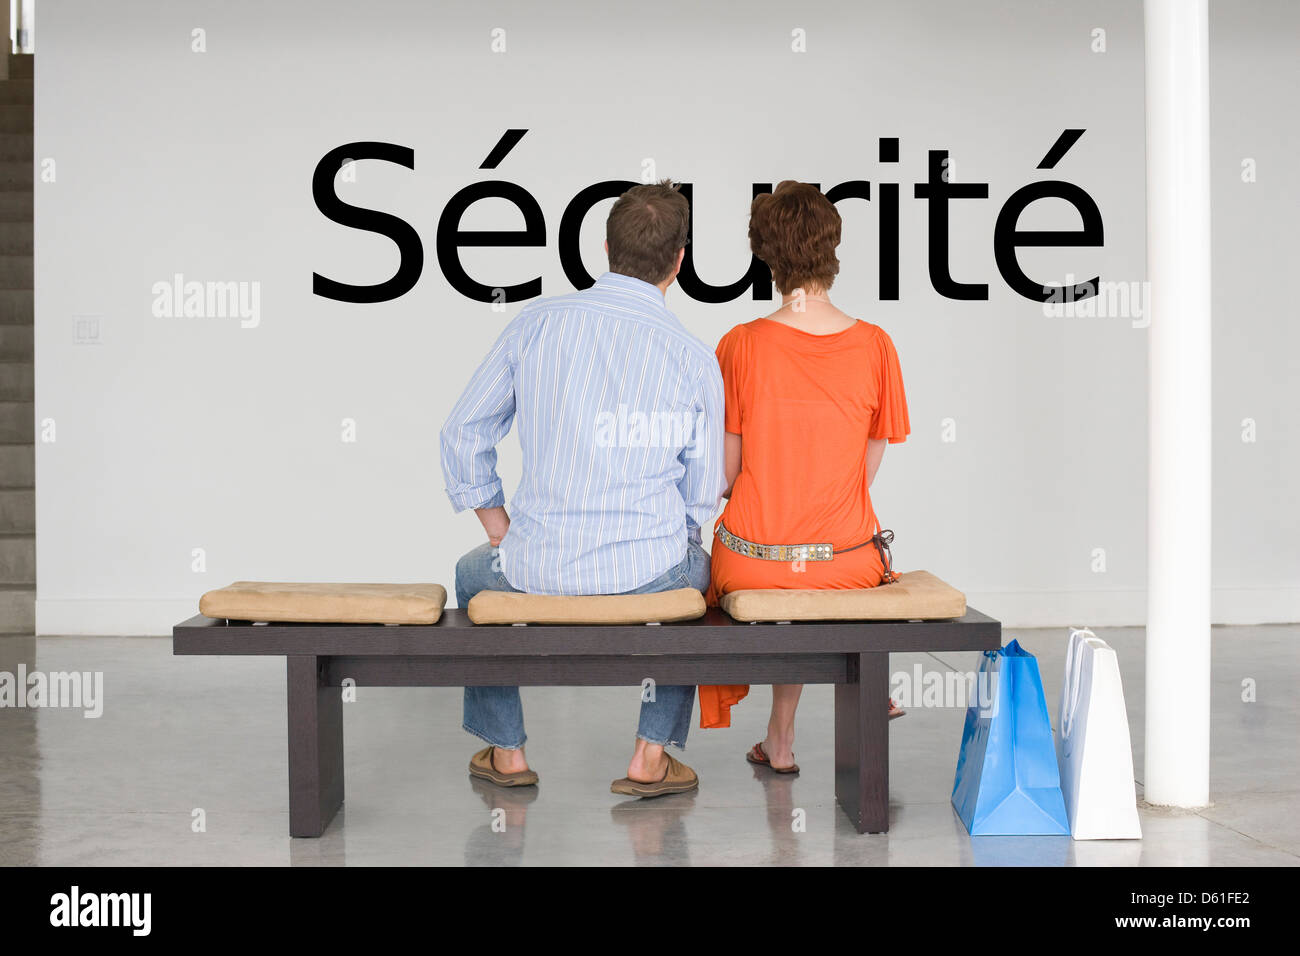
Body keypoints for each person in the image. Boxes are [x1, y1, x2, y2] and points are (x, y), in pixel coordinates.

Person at [440, 180, 726, 797]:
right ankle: (650, 754)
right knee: (696, 575)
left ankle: (507, 752)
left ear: (603, 247)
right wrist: (671, 541)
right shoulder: (693, 356)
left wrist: (500, 532)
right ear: (680, 262)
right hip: (651, 573)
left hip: (534, 566)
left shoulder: (536, 325)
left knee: (470, 576)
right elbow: (704, 492)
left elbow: (463, 431)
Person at [701, 181, 910, 773]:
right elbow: (863, 472)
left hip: (753, 560)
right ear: (833, 251)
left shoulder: (740, 345)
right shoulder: (875, 346)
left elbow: (726, 475)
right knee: (820, 572)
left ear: (766, 256)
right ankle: (846, 697)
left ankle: (780, 740)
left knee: (789, 577)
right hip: (845, 562)